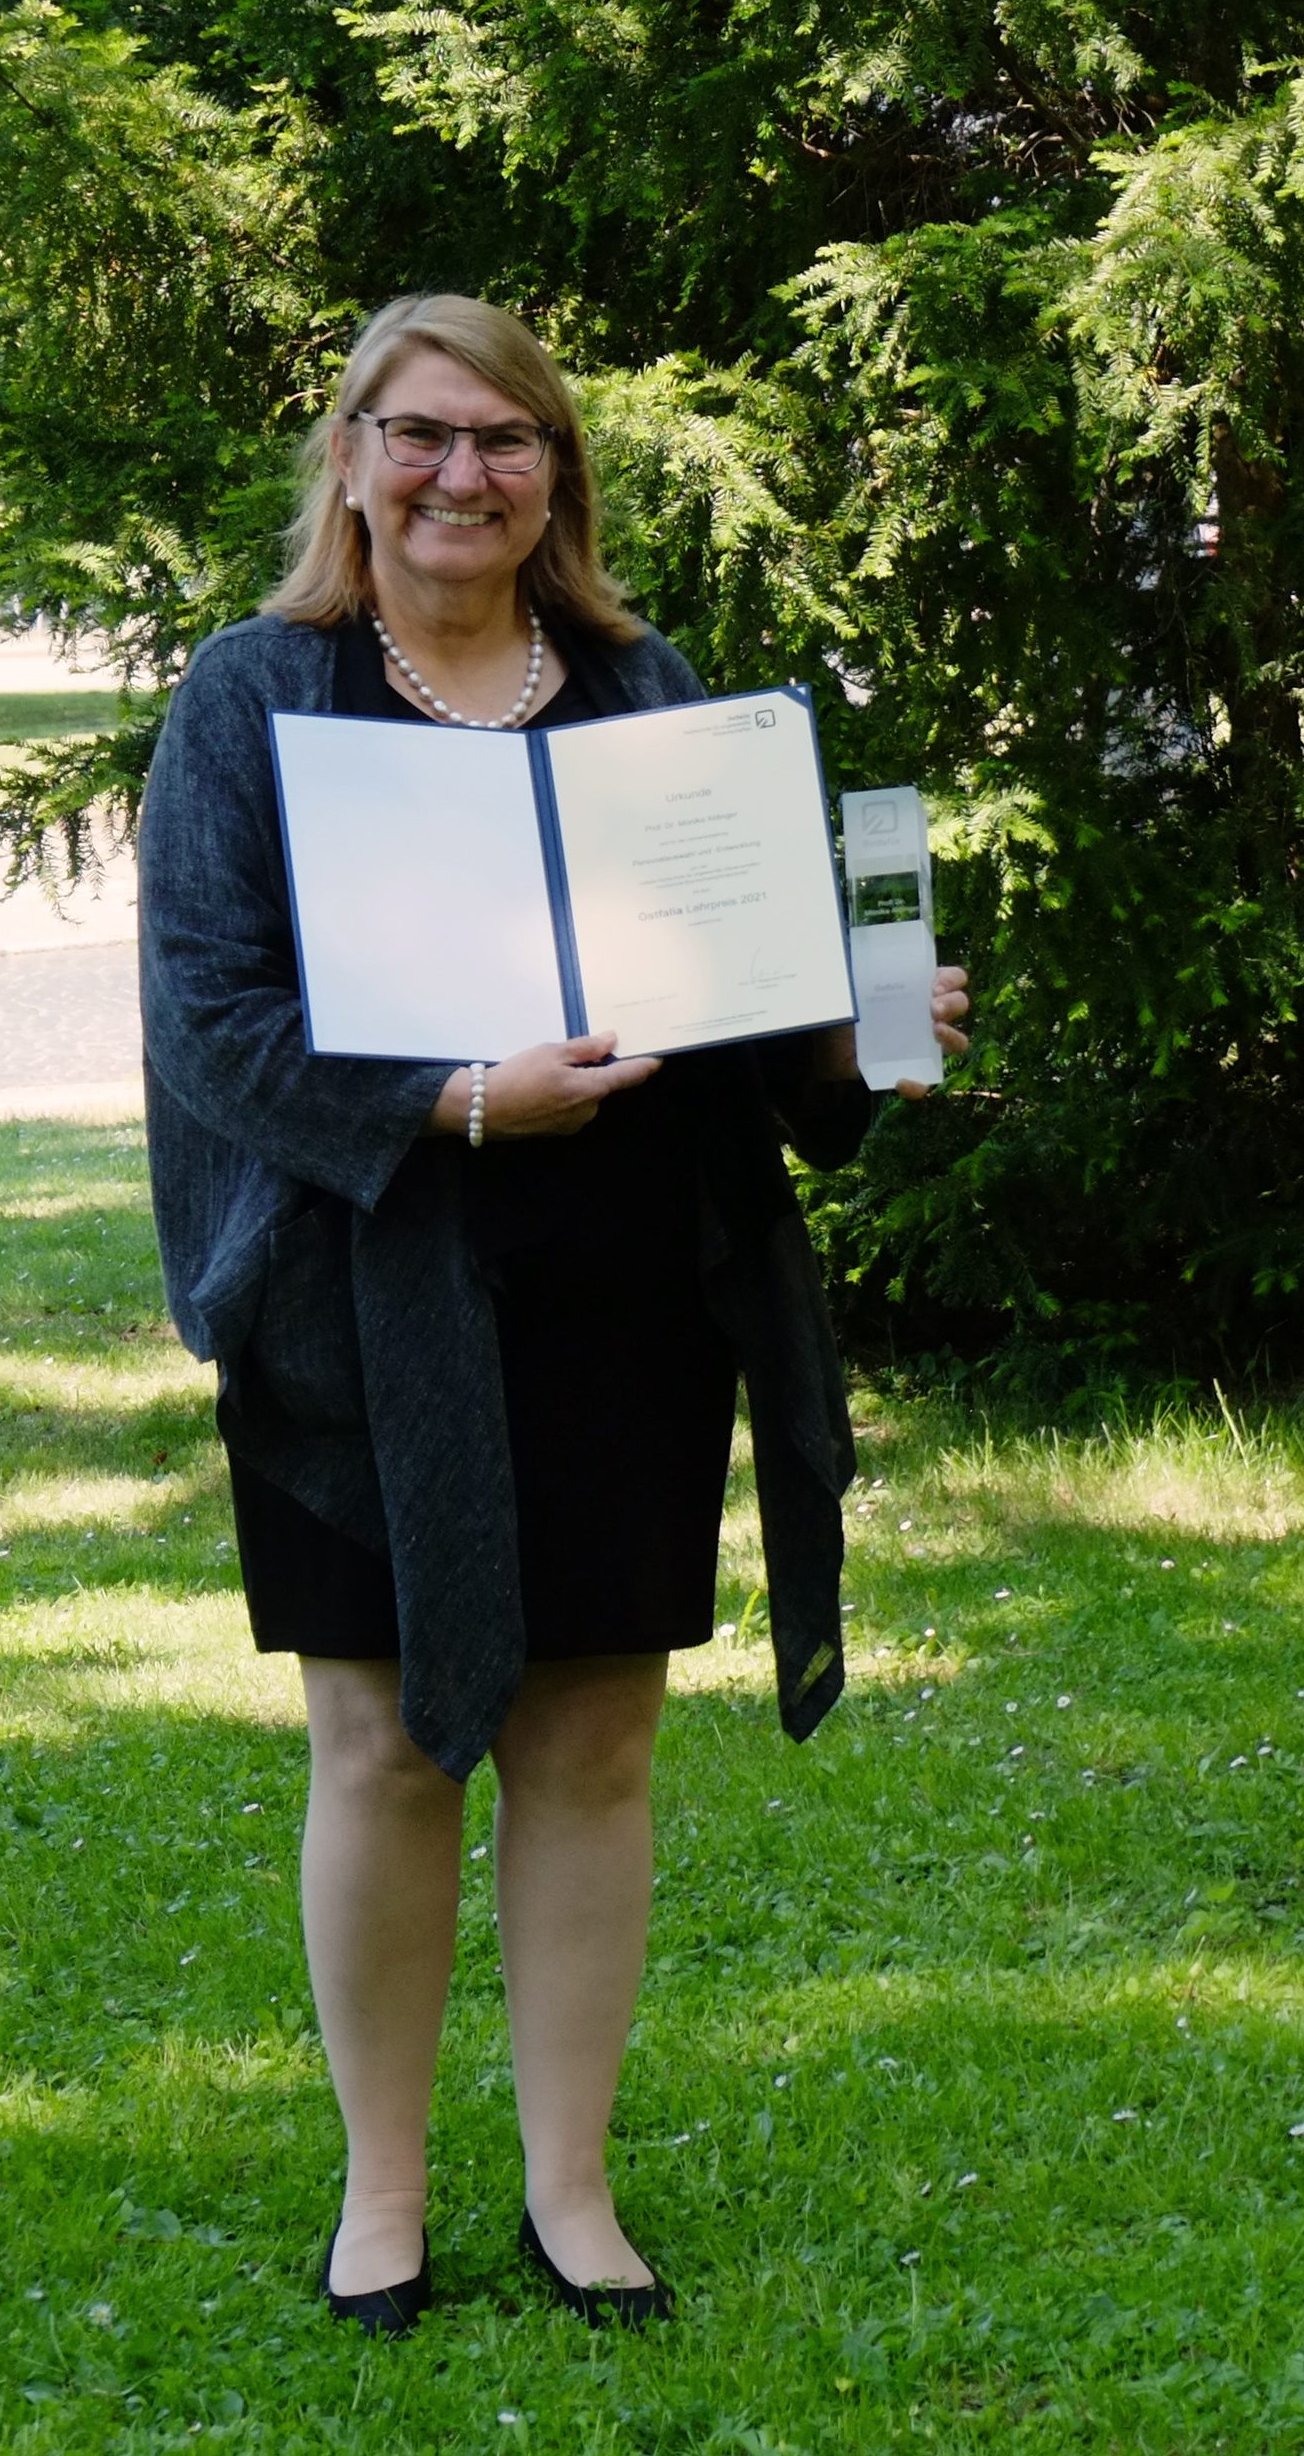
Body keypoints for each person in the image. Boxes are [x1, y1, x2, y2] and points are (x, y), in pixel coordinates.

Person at [140, 291, 968, 2335]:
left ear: (556, 479)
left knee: (593, 1737)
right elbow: (212, 1025)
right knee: (385, 1740)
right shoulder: (257, 699)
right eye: (420, 436)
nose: (460, 477)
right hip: (367, 1289)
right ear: (351, 458)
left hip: (626, 1288)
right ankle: (384, 2193)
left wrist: (870, 1035)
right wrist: (448, 1098)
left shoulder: (643, 690)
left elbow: (760, 1011)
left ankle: (572, 2188)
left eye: (506, 442)